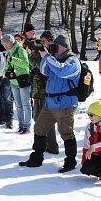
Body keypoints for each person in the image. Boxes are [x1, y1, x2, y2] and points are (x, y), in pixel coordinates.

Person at [19, 34, 81, 173]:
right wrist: (44, 54)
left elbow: (62, 71)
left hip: (65, 103)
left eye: (55, 46)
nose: (52, 48)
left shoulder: (73, 61)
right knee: (39, 128)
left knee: (66, 133)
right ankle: (36, 158)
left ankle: (70, 162)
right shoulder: (55, 59)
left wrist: (48, 56)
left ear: (64, 47)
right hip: (50, 102)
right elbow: (44, 70)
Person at [25, 25, 59, 154]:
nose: (42, 44)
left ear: (51, 41)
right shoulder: (44, 53)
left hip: (45, 92)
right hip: (38, 90)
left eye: (43, 41)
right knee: (38, 118)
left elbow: (37, 64)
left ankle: (50, 146)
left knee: (44, 120)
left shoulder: (52, 54)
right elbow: (32, 63)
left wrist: (38, 52)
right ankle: (45, 144)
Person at [1, 34, 32, 134]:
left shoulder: (20, 50)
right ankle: (21, 125)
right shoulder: (9, 53)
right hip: (14, 81)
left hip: (23, 81)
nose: (5, 47)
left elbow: (25, 64)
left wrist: (13, 59)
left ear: (11, 42)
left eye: (6, 44)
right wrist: (6, 73)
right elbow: (6, 66)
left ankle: (27, 126)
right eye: (4, 45)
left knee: (25, 105)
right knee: (18, 105)